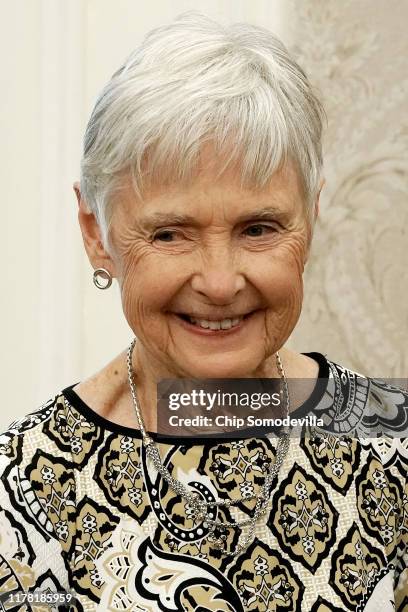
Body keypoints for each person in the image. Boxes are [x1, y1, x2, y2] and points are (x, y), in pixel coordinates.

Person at [0, 11, 407, 612]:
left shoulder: (392, 441)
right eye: (169, 234)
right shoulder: (24, 488)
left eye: (259, 228)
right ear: (96, 232)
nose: (219, 282)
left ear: (312, 218)